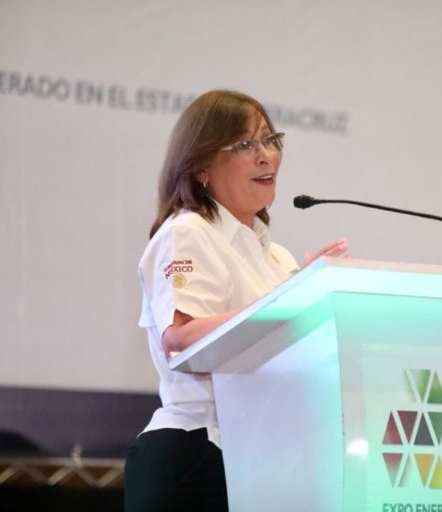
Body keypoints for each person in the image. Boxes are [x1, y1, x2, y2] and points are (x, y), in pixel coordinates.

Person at [124, 89, 348, 511]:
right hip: (197, 455)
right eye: (245, 145)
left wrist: (311, 293)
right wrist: (290, 301)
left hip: (263, 461)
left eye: (270, 140)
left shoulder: (276, 258)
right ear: (201, 167)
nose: (266, 156)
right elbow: (181, 340)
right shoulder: (189, 231)